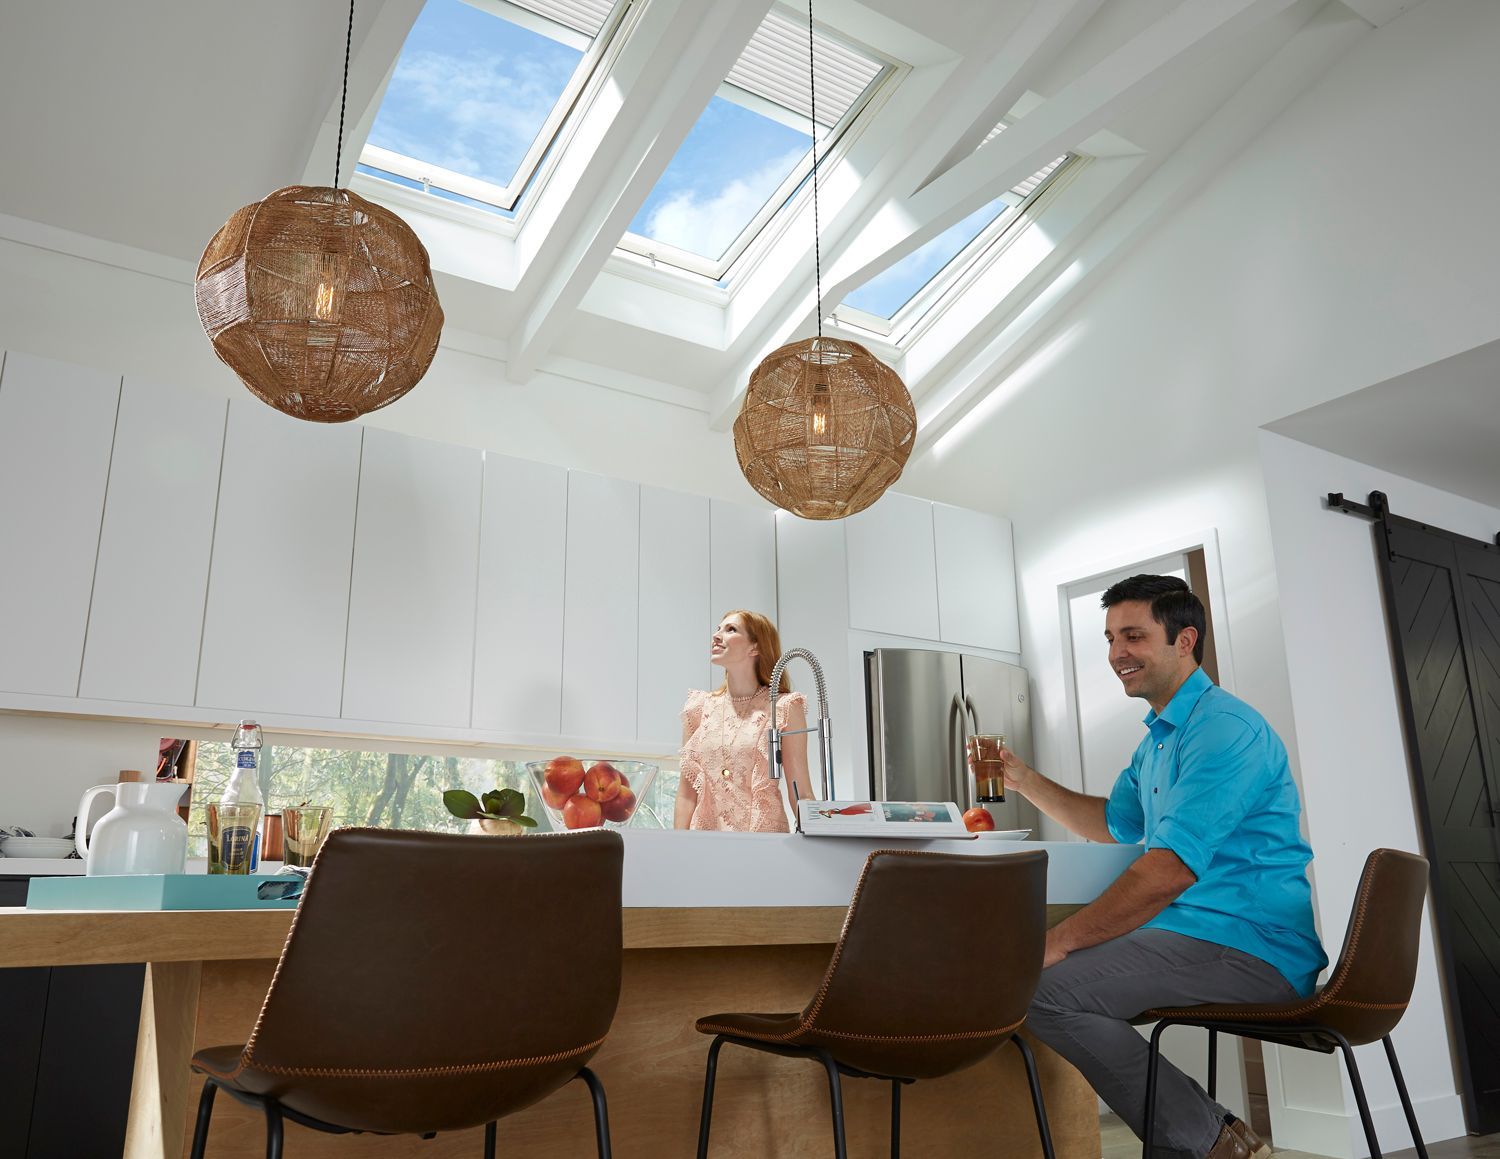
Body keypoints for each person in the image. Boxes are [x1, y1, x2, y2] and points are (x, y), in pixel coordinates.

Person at [988, 575, 1326, 1159]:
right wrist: (1021, 779)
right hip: (1197, 935)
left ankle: (1212, 1142)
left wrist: (1061, 941)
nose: (1117, 653)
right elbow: (1113, 824)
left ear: (1184, 639)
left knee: (1040, 988)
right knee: (1042, 986)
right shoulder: (1161, 738)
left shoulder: (1223, 729)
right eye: (1111, 637)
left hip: (1253, 946)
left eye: (1134, 636)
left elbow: (1168, 871)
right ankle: (1204, 1137)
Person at [675, 610, 814, 832]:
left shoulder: (784, 707)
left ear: (755, 647)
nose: (717, 635)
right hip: (704, 843)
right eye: (718, 629)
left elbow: (801, 792)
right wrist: (677, 848)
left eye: (731, 629)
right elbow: (686, 793)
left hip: (763, 844)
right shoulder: (697, 708)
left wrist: (817, 840)